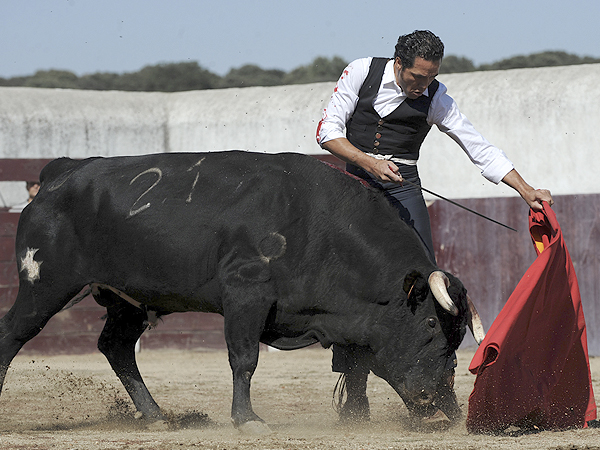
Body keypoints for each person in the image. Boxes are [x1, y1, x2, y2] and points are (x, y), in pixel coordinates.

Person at [316, 30, 554, 422]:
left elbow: (476, 145)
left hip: (404, 186)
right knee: (351, 287)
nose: (422, 86)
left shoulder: (436, 96)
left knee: (429, 285)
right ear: (399, 63)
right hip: (354, 187)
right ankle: (355, 392)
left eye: (430, 78)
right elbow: (327, 133)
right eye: (416, 78)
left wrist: (525, 190)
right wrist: (370, 162)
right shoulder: (361, 71)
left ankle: (438, 389)